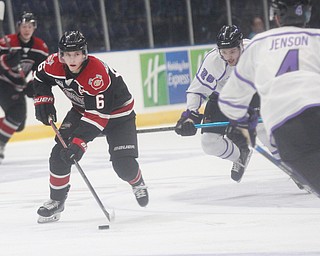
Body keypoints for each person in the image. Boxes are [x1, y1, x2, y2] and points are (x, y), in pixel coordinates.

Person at [33, 31, 149, 223]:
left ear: (84, 54)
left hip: (118, 115)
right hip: (81, 110)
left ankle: (137, 182)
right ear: (60, 54)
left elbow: (98, 115)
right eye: (67, 55)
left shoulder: (97, 74)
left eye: (76, 54)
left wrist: (79, 143)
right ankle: (56, 201)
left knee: (124, 167)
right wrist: (43, 101)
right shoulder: (54, 64)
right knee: (59, 153)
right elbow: (40, 77)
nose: (72, 59)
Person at [218, 0, 320, 196]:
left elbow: (229, 100)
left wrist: (245, 122)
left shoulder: (259, 44)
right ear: (306, 14)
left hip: (285, 129)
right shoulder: (317, 38)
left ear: (276, 17)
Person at [175, 25, 259, 183]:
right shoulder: (213, 61)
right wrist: (190, 116)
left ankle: (295, 168)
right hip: (222, 98)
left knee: (265, 132)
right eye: (224, 52)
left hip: (252, 94)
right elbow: (197, 91)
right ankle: (241, 154)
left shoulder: (255, 52)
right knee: (209, 143)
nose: (229, 57)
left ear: (241, 45)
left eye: (233, 51)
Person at [0, 12, 49, 163]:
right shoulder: (7, 41)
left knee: (18, 124)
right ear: (18, 27)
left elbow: (42, 71)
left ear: (34, 27)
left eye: (29, 26)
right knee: (16, 115)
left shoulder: (40, 47)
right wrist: (6, 62)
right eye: (23, 26)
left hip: (17, 86)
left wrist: (33, 85)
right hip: (2, 82)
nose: (26, 29)